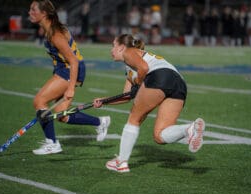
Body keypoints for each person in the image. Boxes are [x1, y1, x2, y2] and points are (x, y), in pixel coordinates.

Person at [93, 34, 205, 173]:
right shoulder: (129, 69)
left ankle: (121, 162)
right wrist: (105, 101)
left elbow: (144, 68)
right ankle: (190, 129)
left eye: (113, 46)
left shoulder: (129, 52)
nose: (111, 50)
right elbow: (127, 96)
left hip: (160, 76)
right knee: (159, 136)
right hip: (178, 83)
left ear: (122, 47)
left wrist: (140, 82)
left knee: (134, 118)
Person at [28, 0, 110, 155]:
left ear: (44, 13)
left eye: (33, 10)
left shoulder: (55, 34)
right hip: (64, 69)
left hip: (70, 70)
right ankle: (100, 122)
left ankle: (52, 143)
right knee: (61, 115)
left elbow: (73, 61)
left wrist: (70, 88)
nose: (29, 12)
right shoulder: (49, 30)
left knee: (39, 101)